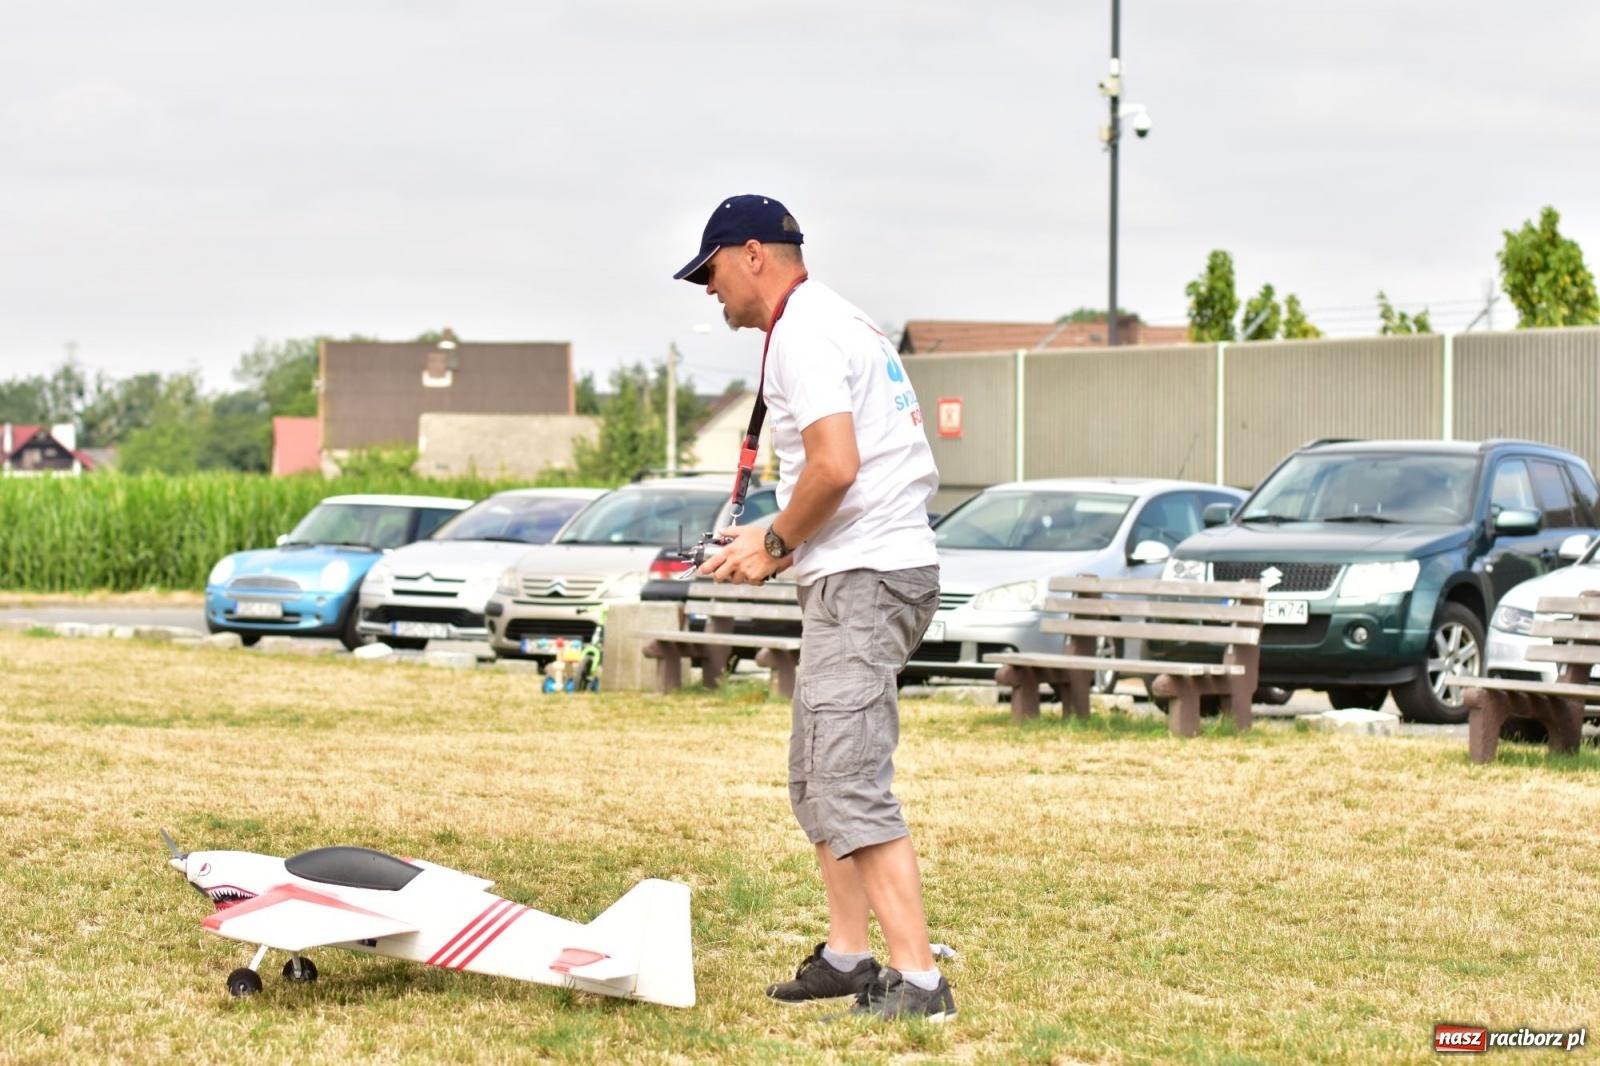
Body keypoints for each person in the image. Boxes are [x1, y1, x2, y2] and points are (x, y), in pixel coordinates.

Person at [673, 194, 954, 1022]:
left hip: (869, 578)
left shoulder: (801, 332)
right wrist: (765, 534)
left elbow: (835, 468)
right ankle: (847, 956)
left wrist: (776, 546)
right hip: (856, 570)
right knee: (815, 775)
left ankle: (922, 984)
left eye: (712, 271)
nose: (708, 289)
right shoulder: (835, 320)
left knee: (848, 774)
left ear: (752, 253)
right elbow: (841, 480)